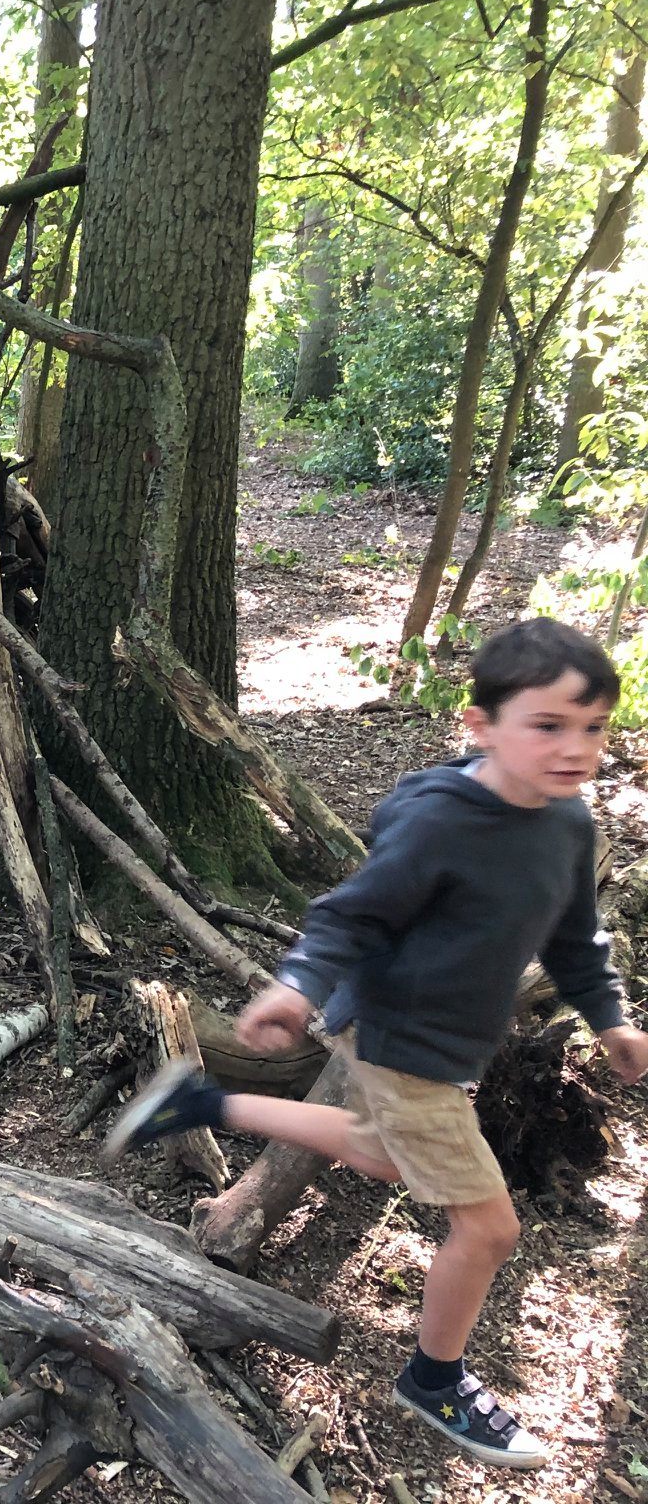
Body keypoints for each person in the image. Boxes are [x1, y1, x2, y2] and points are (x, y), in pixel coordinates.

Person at [103, 617, 646, 1471]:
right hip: (405, 1041)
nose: (574, 748)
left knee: (386, 1155)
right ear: (481, 725)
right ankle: (435, 1377)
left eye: (593, 727)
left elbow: (577, 940)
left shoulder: (567, 824)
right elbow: (351, 913)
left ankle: (201, 1104)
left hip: (437, 1043)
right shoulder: (441, 822)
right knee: (490, 1225)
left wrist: (609, 1016)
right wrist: (294, 986)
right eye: (548, 726)